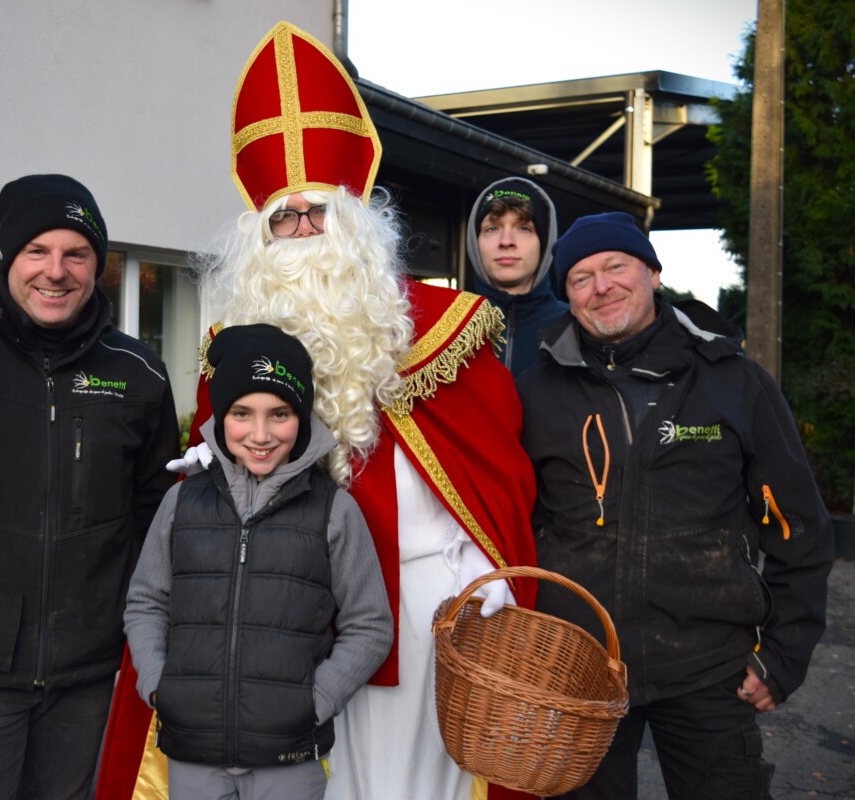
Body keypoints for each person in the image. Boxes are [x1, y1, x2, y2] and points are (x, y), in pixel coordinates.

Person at [97, 22, 539, 800]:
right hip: (271, 616)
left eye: (318, 213)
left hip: (421, 610)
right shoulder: (230, 343)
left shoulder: (445, 327)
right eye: (284, 218)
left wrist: (486, 574)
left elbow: (496, 474)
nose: (302, 231)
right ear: (259, 236)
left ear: (354, 223)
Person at [516, 211, 835, 799]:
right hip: (581, 669)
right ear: (567, 297)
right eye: (581, 278)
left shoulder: (733, 381)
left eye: (616, 266)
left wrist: (783, 655)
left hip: (708, 668)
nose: (601, 286)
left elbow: (800, 527)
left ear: (653, 274)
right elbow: (509, 520)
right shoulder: (536, 391)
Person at [0, 174, 180, 800]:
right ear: (7, 257)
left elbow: (158, 513)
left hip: (90, 673)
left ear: (98, 265)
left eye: (77, 253)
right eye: (37, 251)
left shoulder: (137, 371)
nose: (56, 271)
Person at [124, 323, 393, 800]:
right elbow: (146, 600)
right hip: (193, 750)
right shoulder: (181, 502)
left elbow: (370, 625)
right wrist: (160, 686)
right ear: (221, 417)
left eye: (280, 414)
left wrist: (315, 702)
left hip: (289, 755)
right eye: (242, 413)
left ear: (301, 417)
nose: (261, 434)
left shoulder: (334, 511)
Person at [466, 176, 566, 377]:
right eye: (492, 228)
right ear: (475, 242)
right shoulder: (447, 328)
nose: (506, 241)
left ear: (545, 243)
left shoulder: (575, 328)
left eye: (524, 228)